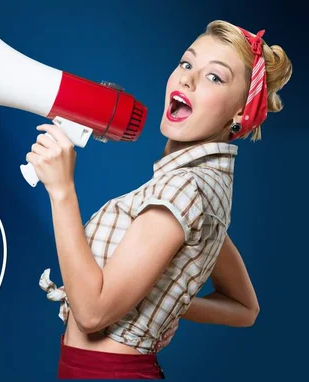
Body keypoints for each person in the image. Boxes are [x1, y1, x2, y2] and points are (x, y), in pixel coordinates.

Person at [26, 20, 293, 380]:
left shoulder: (185, 189)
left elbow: (91, 314)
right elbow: (245, 308)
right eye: (186, 64)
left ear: (240, 115)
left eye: (215, 77)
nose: (188, 79)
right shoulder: (201, 189)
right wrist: (163, 301)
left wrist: (61, 191)